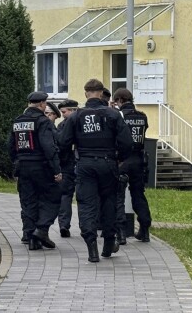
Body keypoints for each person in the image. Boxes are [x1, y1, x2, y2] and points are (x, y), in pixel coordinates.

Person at [58, 79, 133, 262]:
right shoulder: (113, 114)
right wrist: (120, 159)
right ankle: (108, 243)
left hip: (84, 164)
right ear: (101, 93)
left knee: (86, 205)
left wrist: (67, 162)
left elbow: (63, 143)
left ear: (86, 94)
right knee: (109, 203)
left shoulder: (76, 116)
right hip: (108, 163)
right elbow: (127, 143)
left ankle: (92, 248)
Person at [8, 91, 63, 250]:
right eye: (45, 104)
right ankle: (42, 230)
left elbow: (10, 147)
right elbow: (48, 147)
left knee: (28, 201)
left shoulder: (17, 121)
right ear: (41, 104)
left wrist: (17, 162)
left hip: (23, 167)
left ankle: (32, 238)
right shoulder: (43, 121)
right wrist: (56, 170)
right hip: (41, 166)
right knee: (53, 196)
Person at [113, 88, 152, 243]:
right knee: (138, 195)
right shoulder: (142, 116)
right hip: (139, 161)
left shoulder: (119, 116)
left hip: (122, 160)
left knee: (118, 196)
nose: (115, 105)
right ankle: (145, 230)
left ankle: (121, 232)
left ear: (120, 100)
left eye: (116, 102)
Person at [56, 99, 79, 237]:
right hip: (78, 163)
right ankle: (87, 225)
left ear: (72, 110)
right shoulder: (85, 122)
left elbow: (59, 145)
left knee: (65, 196)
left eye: (64, 112)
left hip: (68, 165)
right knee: (83, 197)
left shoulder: (62, 126)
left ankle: (64, 225)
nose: (63, 115)